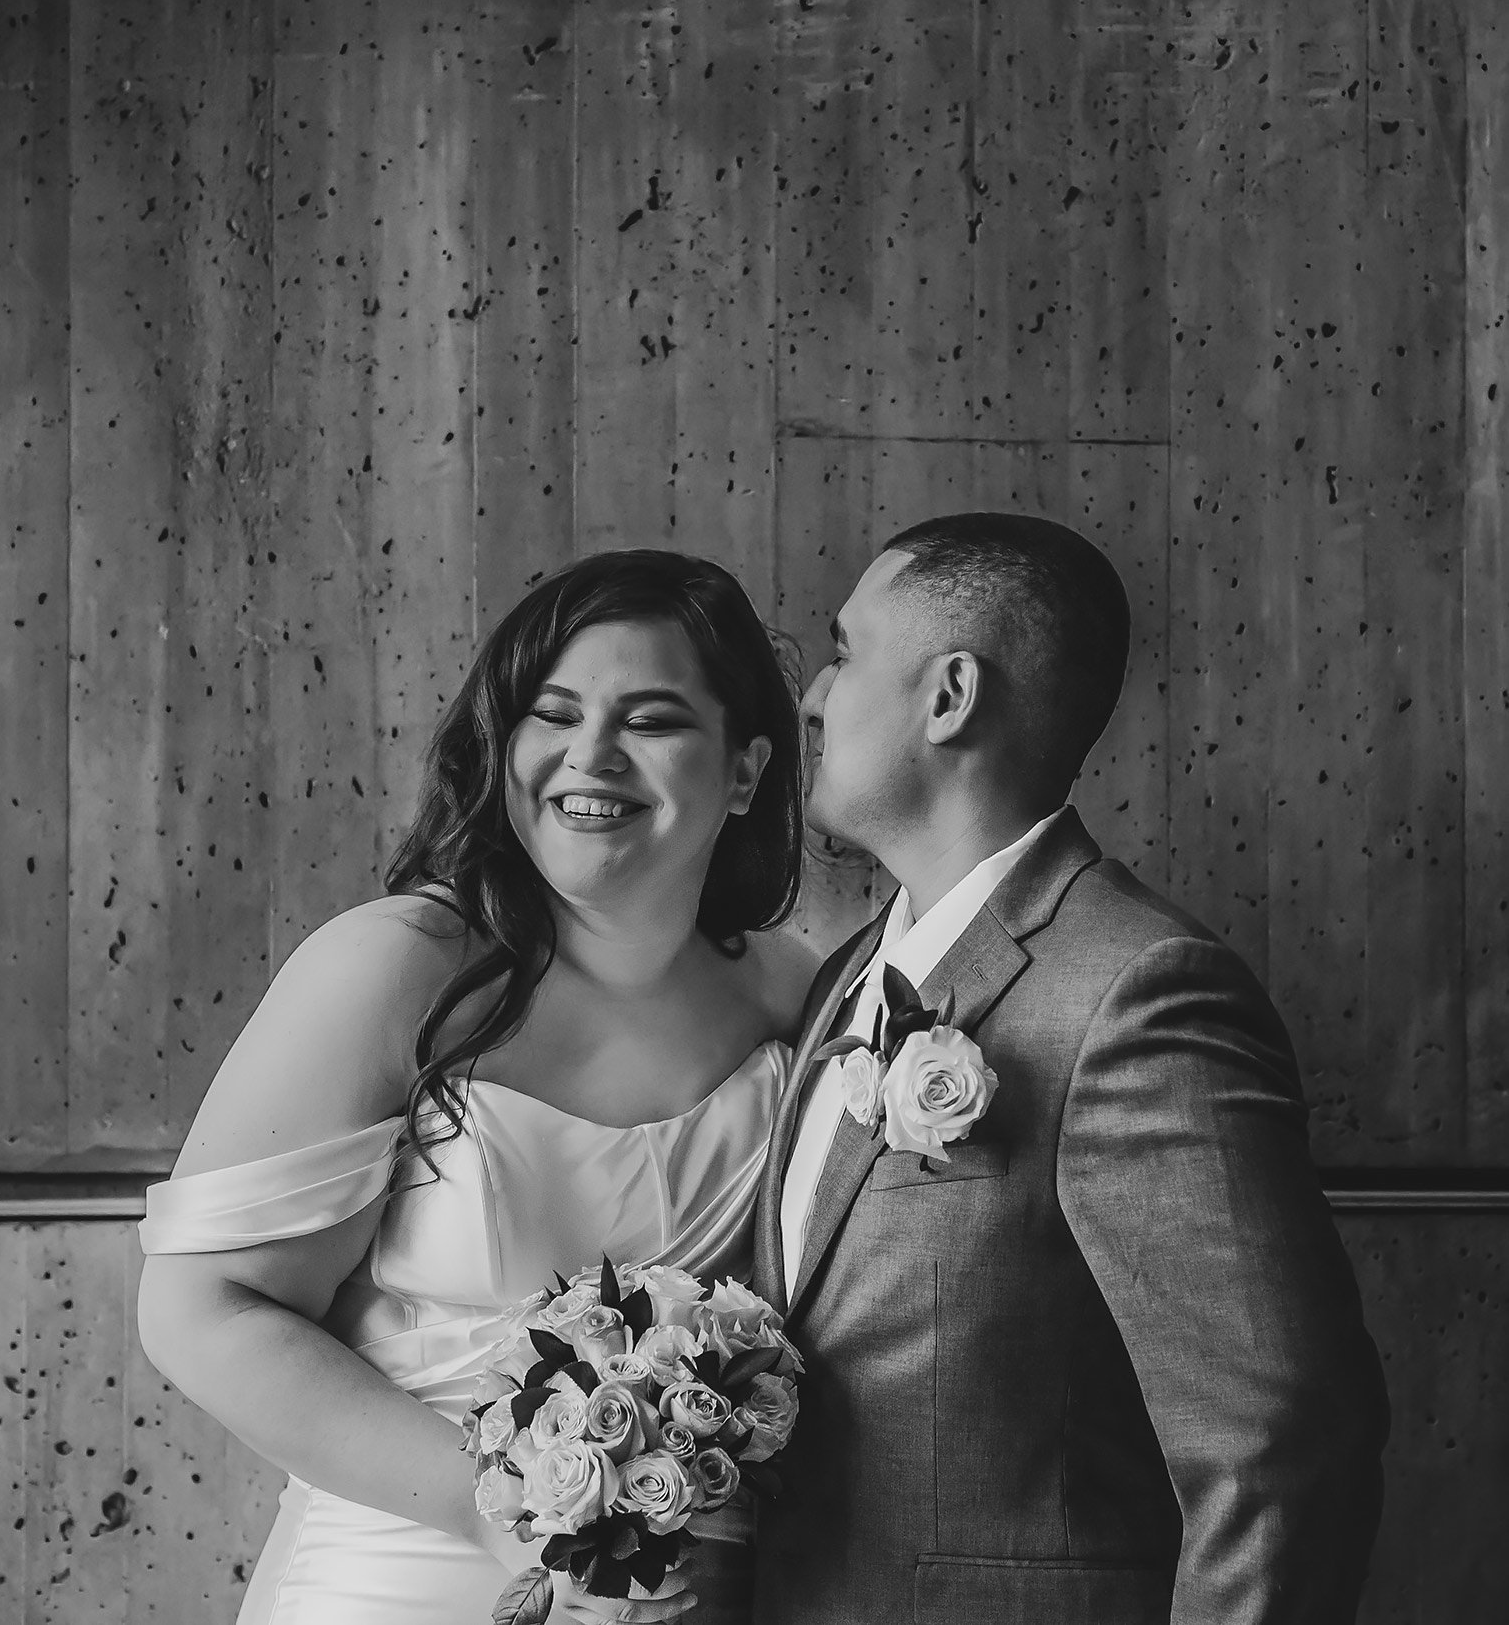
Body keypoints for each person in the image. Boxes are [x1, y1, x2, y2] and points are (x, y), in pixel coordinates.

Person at [137, 550, 819, 1625]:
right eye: (551, 714)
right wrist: (505, 1510)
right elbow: (200, 1311)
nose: (589, 755)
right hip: (401, 1579)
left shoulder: (798, 996)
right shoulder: (398, 966)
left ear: (743, 770)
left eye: (650, 721)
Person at [751, 513, 1389, 1624]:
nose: (811, 698)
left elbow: (1279, 1447)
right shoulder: (847, 974)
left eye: (845, 653)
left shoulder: (1139, 989)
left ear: (949, 695)